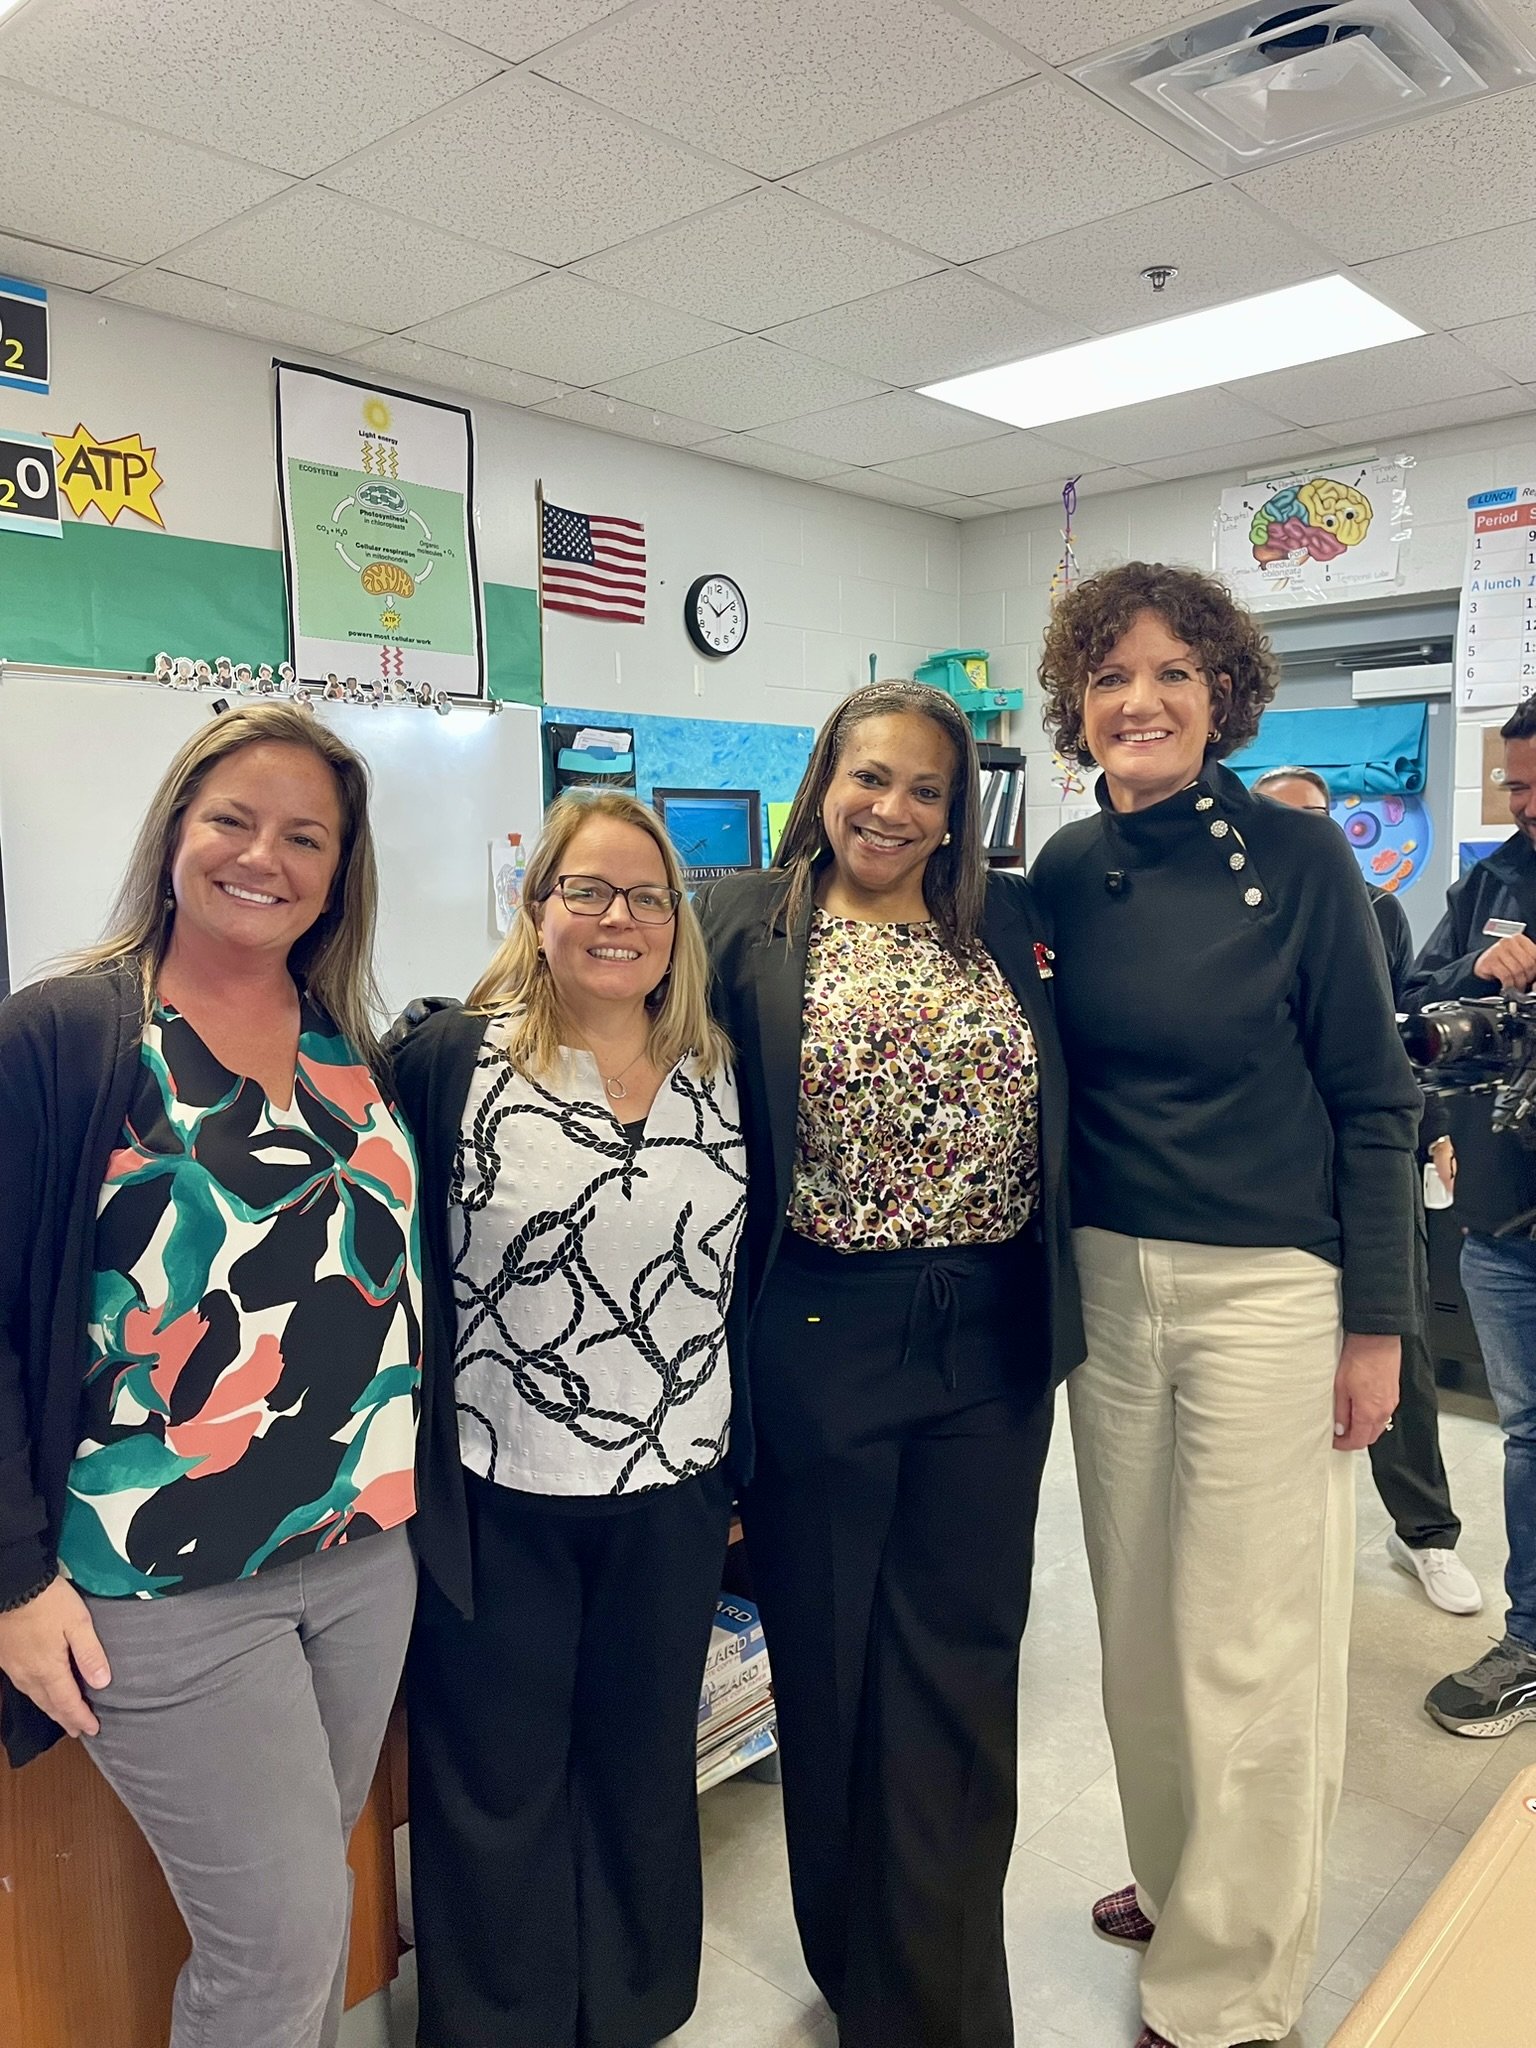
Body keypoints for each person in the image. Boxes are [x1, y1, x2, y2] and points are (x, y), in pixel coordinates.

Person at [1030, 565, 1420, 2048]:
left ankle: (1231, 1987)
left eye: (1174, 674)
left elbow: (1375, 1102)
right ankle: (1184, 1878)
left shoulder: (1301, 861)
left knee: (1247, 1641)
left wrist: (1376, 1327)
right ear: (1079, 701)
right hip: (1109, 1289)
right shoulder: (1064, 868)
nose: (1141, 700)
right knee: (1135, 1622)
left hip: (1270, 1290)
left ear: (1223, 697)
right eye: (1114, 675)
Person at [0, 702, 420, 2048]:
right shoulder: (65, 1034)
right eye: (233, 819)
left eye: (307, 836)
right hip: (161, 1583)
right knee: (280, 1940)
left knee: (308, 1917)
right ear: (176, 828)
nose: (265, 856)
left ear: (339, 871)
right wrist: (10, 1578)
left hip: (360, 1555)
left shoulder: (342, 1036)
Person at [695, 679, 1082, 2048]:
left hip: (988, 1334)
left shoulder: (1010, 922)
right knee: (833, 1658)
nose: (894, 809)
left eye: (926, 789)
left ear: (957, 810)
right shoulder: (739, 921)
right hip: (817, 1332)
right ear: (826, 780)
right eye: (871, 778)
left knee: (964, 1670)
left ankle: (946, 2003)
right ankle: (856, 1962)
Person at [390, 791, 745, 2048]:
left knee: (644, 1764)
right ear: (536, 909)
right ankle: (498, 2024)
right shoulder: (453, 1063)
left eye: (647, 896)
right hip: (500, 1485)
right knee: (496, 1778)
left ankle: (635, 2006)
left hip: (675, 1488)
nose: (618, 918)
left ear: (677, 921)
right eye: (586, 891)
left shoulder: (721, 1063)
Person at [1253, 764, 1480, 1617]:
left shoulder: (1376, 913)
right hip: (1273, 1186)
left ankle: (1424, 1533)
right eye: (1283, 820)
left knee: (1398, 1353)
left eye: (1315, 818)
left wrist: (1439, 1128)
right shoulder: (1231, 916)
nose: (1302, 835)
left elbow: (1401, 1045)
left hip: (1370, 1163)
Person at [1403, 695, 1536, 1737]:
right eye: (1512, 783)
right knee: (1529, 1434)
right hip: (1504, 1212)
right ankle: (1531, 1640)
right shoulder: (1492, 876)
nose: (1517, 802)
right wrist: (1473, 968)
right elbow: (1418, 1001)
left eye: (1533, 785)